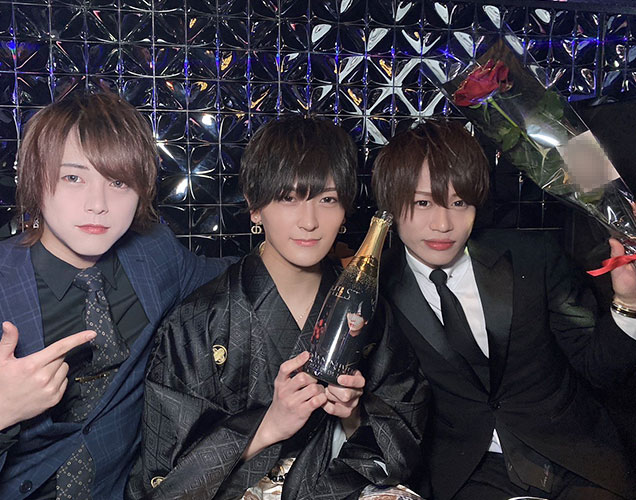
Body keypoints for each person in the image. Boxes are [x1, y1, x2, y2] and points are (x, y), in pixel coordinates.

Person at [0, 92, 230, 499]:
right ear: (36, 179)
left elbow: (232, 275)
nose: (98, 205)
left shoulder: (155, 255)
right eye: (73, 178)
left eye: (118, 182)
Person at [127, 116, 429, 500]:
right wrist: (269, 426)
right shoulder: (198, 322)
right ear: (254, 207)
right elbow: (162, 479)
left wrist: (353, 414)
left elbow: (406, 426)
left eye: (327, 199)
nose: (309, 222)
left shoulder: (367, 310)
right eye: (288, 198)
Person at [372, 119, 636, 500]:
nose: (443, 224)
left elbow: (598, 367)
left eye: (459, 202)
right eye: (423, 203)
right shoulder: (376, 289)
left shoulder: (533, 258)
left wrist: (628, 301)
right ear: (391, 205)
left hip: (574, 459)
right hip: (469, 474)